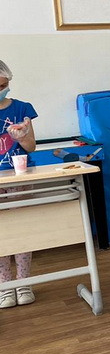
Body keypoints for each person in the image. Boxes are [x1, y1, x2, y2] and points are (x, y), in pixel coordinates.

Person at [0, 60, 38, 308]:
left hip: (19, 177)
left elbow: (31, 147)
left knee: (22, 229)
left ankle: (24, 282)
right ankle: (4, 285)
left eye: (2, 85)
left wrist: (22, 137)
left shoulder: (22, 108)